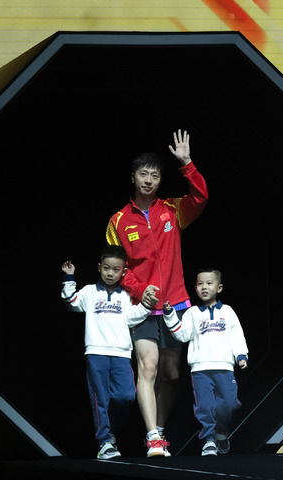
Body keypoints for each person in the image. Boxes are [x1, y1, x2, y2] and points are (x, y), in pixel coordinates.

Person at [106, 129, 208, 457]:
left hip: (176, 304)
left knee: (173, 374)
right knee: (147, 367)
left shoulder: (172, 210)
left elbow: (201, 198)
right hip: (141, 307)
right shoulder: (118, 221)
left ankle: (160, 428)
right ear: (132, 177)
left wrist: (187, 163)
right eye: (143, 174)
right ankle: (152, 436)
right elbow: (116, 267)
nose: (148, 180)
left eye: (155, 175)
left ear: (160, 180)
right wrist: (139, 290)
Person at [60, 245, 157, 459]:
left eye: (115, 269)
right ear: (99, 267)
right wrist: (69, 278)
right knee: (100, 399)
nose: (110, 273)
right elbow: (72, 303)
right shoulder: (89, 291)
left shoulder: (126, 296)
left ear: (123, 271)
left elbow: (132, 317)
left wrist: (147, 306)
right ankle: (104, 442)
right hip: (96, 352)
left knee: (126, 397)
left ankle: (110, 430)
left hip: (122, 354)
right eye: (106, 268)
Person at [162, 268, 248, 456]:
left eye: (209, 283)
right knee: (204, 407)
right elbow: (182, 335)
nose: (204, 287)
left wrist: (241, 355)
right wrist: (169, 315)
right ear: (195, 288)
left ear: (219, 288)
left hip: (224, 367)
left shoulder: (227, 311)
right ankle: (209, 440)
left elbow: (237, 335)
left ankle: (221, 432)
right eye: (200, 284)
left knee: (230, 404)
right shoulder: (192, 313)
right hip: (200, 369)